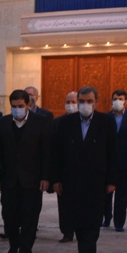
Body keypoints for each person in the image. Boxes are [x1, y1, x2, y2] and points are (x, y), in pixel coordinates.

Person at [52, 86, 117, 253]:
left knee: (93, 218)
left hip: (96, 179)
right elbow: (57, 153)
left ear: (96, 102)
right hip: (72, 179)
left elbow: (112, 152)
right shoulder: (66, 123)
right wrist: (56, 179)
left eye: (89, 101)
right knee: (77, 217)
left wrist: (112, 180)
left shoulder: (106, 122)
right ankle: (83, 251)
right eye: (82, 101)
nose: (85, 105)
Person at [0, 89, 51, 253]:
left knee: (30, 217)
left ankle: (26, 250)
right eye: (14, 106)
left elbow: (46, 152)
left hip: (32, 180)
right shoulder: (3, 123)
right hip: (9, 180)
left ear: (28, 105)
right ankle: (14, 244)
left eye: (20, 106)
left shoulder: (41, 122)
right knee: (9, 215)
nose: (17, 109)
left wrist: (45, 177)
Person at [104, 88, 127, 231]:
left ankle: (119, 223)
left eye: (120, 99)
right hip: (108, 162)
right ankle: (106, 217)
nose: (117, 101)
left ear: (126, 101)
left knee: (121, 196)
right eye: (115, 99)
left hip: (125, 162)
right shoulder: (105, 117)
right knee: (106, 194)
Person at [54, 90, 79, 243]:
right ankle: (67, 232)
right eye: (68, 102)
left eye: (73, 102)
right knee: (64, 204)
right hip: (64, 171)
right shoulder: (58, 122)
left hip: (82, 172)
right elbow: (54, 150)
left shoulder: (86, 122)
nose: (70, 105)